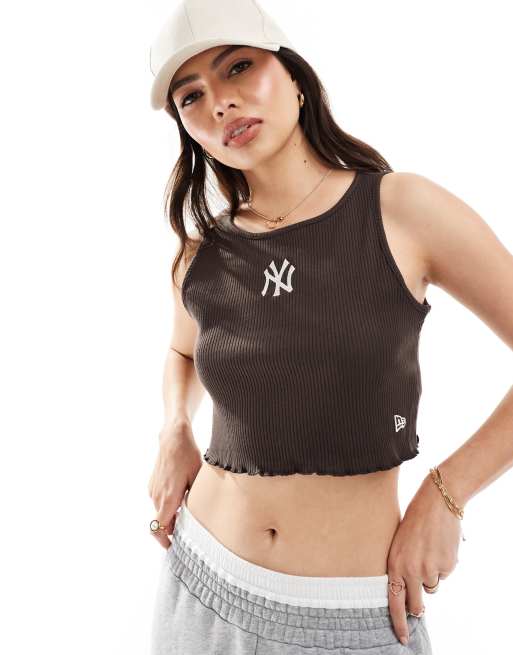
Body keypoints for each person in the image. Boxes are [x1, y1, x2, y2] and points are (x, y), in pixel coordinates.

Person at [147, 1, 513, 653]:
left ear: (294, 78)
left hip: (351, 613)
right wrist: (175, 427)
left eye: (239, 67)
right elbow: (181, 350)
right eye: (191, 96)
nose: (221, 103)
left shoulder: (400, 209)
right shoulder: (202, 253)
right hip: (199, 586)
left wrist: (447, 492)